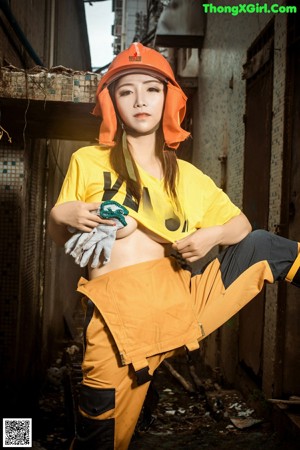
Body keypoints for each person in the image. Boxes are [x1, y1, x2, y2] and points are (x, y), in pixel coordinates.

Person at [48, 42, 300, 450]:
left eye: (152, 88)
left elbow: (240, 224)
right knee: (101, 439)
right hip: (117, 325)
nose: (140, 100)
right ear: (113, 101)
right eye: (126, 91)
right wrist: (65, 215)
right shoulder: (87, 161)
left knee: (264, 245)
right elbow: (62, 237)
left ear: (168, 98)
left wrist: (211, 235)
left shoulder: (186, 176)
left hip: (180, 304)